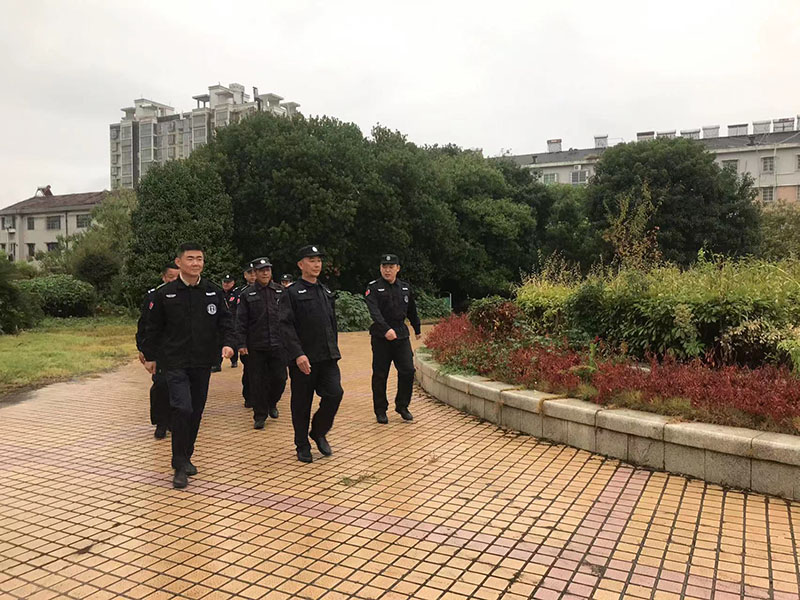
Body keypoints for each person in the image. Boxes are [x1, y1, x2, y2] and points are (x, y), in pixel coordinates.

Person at [141, 242, 235, 489]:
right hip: (174, 362)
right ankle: (179, 465)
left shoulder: (213, 292)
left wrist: (228, 344)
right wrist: (150, 356)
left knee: (195, 412)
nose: (195, 263)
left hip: (202, 362)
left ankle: (186, 455)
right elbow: (153, 328)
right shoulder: (165, 294)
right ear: (179, 262)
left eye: (199, 259)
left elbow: (226, 323)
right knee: (182, 408)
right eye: (190, 258)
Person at [282, 245, 343, 463]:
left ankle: (318, 431)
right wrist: (298, 354)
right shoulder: (291, 293)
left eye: (318, 260)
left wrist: (334, 349)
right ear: (301, 265)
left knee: (335, 393)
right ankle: (302, 445)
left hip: (327, 357)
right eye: (311, 260)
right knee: (301, 403)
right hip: (303, 359)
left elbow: (331, 325)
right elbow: (285, 326)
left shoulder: (324, 291)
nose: (317, 264)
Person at [364, 254, 421, 424]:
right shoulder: (373, 288)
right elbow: (374, 312)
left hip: (401, 334)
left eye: (391, 267)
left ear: (398, 268)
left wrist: (417, 328)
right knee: (380, 374)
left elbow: (412, 310)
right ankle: (380, 410)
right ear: (380, 268)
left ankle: (402, 405)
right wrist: (385, 329)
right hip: (381, 336)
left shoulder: (404, 288)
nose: (387, 270)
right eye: (384, 267)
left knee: (408, 370)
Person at [235, 257, 287, 429]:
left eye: (268, 270)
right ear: (255, 273)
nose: (265, 273)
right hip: (256, 345)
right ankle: (260, 415)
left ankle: (272, 402)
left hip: (278, 343)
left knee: (280, 378)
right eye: (261, 270)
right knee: (257, 382)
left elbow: (289, 317)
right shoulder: (247, 294)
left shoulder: (280, 291)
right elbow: (241, 321)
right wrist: (241, 344)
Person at [136, 262, 180, 439]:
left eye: (177, 277)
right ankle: (161, 422)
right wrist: (143, 349)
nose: (174, 281)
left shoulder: (189, 295)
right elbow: (144, 324)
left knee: (180, 386)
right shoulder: (154, 296)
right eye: (171, 277)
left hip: (181, 349)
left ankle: (175, 421)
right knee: (161, 386)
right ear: (163, 277)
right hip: (160, 350)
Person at [237, 264, 257, 406]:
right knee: (249, 371)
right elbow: (239, 318)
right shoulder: (242, 293)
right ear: (245, 275)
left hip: (268, 339)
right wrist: (241, 341)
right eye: (250, 273)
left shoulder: (274, 290)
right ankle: (249, 396)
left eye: (254, 272)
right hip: (250, 339)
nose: (253, 276)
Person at [221, 274, 239, 368]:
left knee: (232, 340)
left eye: (228, 282)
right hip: (221, 320)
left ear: (233, 283)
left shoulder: (236, 293)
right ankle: (217, 363)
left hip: (233, 319)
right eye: (225, 282)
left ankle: (234, 360)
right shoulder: (219, 293)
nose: (226, 284)